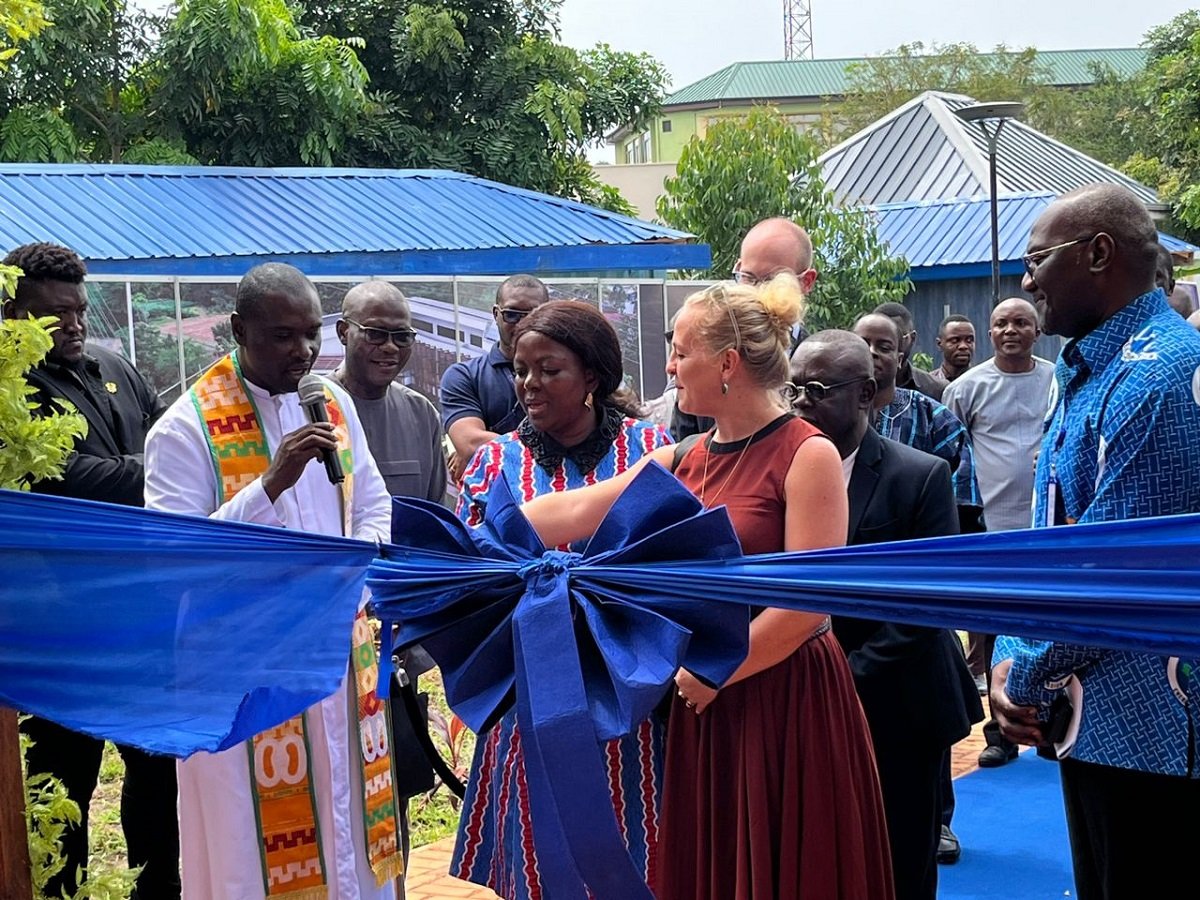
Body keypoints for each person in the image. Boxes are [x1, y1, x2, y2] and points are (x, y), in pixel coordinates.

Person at [521, 276, 895, 899]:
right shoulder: (684, 457)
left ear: (725, 363)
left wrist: (711, 672)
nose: (669, 367)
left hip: (783, 697)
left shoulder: (808, 454)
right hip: (707, 699)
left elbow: (807, 603)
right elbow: (566, 512)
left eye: (680, 350)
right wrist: (454, 540)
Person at [145, 263, 399, 900]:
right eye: (282, 335)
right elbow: (176, 560)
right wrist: (270, 483)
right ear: (237, 330)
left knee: (347, 813)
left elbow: (373, 501)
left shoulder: (332, 402)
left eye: (312, 334)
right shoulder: (185, 427)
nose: (304, 351)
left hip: (338, 649)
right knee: (250, 845)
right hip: (246, 668)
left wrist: (356, 576)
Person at [991, 184, 1200, 899]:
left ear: (1098, 253)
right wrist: (1018, 657)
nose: (1025, 282)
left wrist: (1017, 676)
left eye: (1036, 261)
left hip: (1158, 739)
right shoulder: (1096, 371)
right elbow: (1055, 541)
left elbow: (1111, 570)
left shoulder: (1160, 379)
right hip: (1102, 719)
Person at [449, 300, 672, 899]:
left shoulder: (651, 448)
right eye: (520, 370)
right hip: (530, 684)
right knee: (538, 840)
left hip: (627, 680)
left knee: (636, 832)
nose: (529, 385)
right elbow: (468, 569)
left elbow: (675, 555)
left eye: (549, 370)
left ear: (592, 378)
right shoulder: (495, 460)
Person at [4, 241, 180, 899]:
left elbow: (167, 439)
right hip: (58, 624)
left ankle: (160, 885)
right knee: (64, 782)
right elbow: (61, 478)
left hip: (141, 614)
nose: (74, 325)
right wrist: (154, 476)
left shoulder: (115, 366)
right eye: (54, 315)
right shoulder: (8, 394)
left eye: (79, 310)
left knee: (158, 767)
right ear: (12, 313)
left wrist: (159, 470)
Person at [789, 330, 981, 900]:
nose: (800, 404)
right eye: (793, 389)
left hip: (900, 704)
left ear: (869, 392)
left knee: (901, 864)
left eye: (817, 390)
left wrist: (842, 675)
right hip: (807, 704)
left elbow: (925, 603)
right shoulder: (782, 471)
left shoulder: (918, 476)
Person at [944, 298, 1053, 770]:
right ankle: (998, 734)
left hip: (1048, 528)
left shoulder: (1057, 378)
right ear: (990, 332)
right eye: (1001, 323)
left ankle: (1051, 726)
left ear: (1037, 329)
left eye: (1021, 322)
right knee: (989, 634)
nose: (1011, 330)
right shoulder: (968, 388)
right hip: (992, 531)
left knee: (1050, 627)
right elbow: (951, 458)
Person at [671, 217, 818, 440]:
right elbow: (681, 444)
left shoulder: (822, 365)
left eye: (772, 280)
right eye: (748, 277)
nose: (757, 291)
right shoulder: (705, 348)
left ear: (806, 281)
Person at [852, 313, 984, 535]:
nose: (872, 352)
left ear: (900, 359)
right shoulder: (829, 415)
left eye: (884, 347)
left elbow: (964, 506)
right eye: (863, 345)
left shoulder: (936, 419)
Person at [331, 281, 446, 503]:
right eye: (375, 334)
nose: (390, 347)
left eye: (402, 337)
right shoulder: (311, 408)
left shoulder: (422, 415)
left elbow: (434, 516)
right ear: (343, 332)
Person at [439, 275, 549, 477]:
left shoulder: (569, 369)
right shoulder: (465, 377)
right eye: (512, 315)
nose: (523, 324)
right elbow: (471, 443)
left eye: (534, 315)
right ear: (496, 314)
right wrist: (557, 452)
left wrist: (491, 447)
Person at [873, 301, 946, 400]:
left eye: (896, 336)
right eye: (869, 341)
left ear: (912, 338)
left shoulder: (937, 390)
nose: (874, 350)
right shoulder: (851, 387)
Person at [930, 314, 976, 382]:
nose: (963, 346)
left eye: (969, 340)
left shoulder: (984, 383)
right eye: (955, 340)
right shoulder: (928, 384)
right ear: (939, 344)